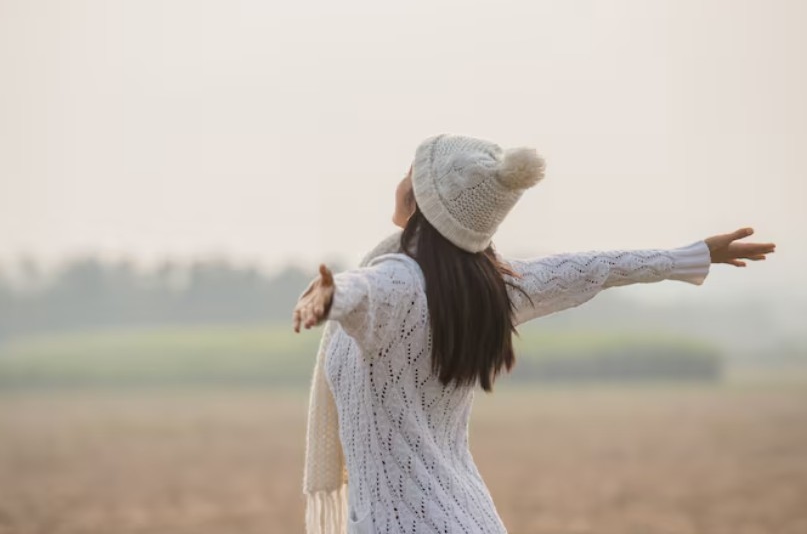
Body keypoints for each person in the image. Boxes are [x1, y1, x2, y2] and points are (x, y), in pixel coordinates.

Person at [292, 133, 776, 534]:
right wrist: (688, 256)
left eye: (410, 170)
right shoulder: (490, 289)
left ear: (417, 197)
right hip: (471, 520)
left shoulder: (397, 281)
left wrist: (331, 297)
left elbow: (367, 291)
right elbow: (593, 268)